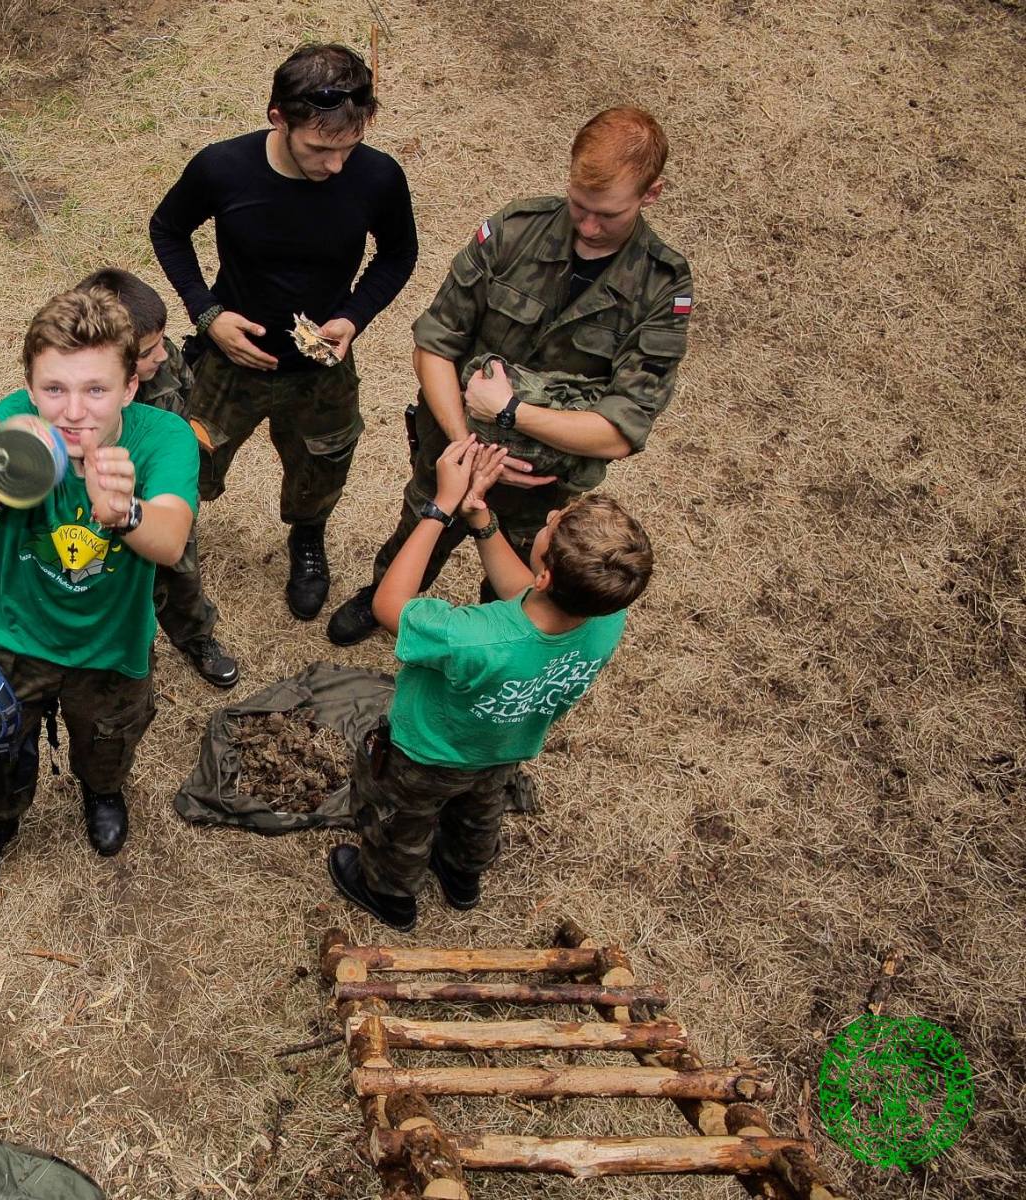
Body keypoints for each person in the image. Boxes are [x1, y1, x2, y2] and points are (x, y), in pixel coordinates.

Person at [328, 105, 691, 646]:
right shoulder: (513, 232)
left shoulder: (662, 286)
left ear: (651, 194)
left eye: (608, 215)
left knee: (521, 582)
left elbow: (620, 431)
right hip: (454, 445)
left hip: (545, 485)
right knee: (423, 519)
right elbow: (435, 345)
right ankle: (385, 592)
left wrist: (510, 413)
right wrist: (468, 447)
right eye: (579, 205)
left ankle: (499, 635)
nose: (588, 227)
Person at [327, 436, 653, 930]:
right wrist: (481, 517)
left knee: (402, 822)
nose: (549, 515)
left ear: (545, 577)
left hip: (424, 754)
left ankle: (389, 894)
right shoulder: (606, 615)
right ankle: (462, 878)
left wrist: (439, 508)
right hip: (502, 749)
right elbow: (528, 594)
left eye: (552, 527)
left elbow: (389, 605)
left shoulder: (474, 638)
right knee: (479, 810)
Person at [0, 285, 198, 910]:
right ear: (30, 388)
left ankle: (101, 791)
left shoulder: (162, 438)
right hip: (12, 634)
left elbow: (170, 541)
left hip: (110, 644)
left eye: (96, 390)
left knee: (107, 740)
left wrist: (125, 513)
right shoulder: (16, 426)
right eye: (54, 389)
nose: (74, 412)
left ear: (130, 388)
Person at [149, 42, 416, 631]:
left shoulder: (377, 177)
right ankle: (166, 546)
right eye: (320, 148)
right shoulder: (223, 168)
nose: (336, 165)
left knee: (324, 462)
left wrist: (354, 317)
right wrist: (207, 314)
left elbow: (399, 254)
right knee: (188, 463)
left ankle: (308, 536)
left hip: (320, 371)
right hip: (229, 364)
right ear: (279, 118)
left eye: (349, 147)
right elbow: (167, 229)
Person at [75, 266, 237, 689]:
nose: (162, 355)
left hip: (164, 504)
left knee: (181, 577)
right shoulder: (77, 405)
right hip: (102, 519)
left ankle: (196, 638)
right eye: (148, 351)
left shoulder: (166, 362)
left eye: (162, 342)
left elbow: (185, 403)